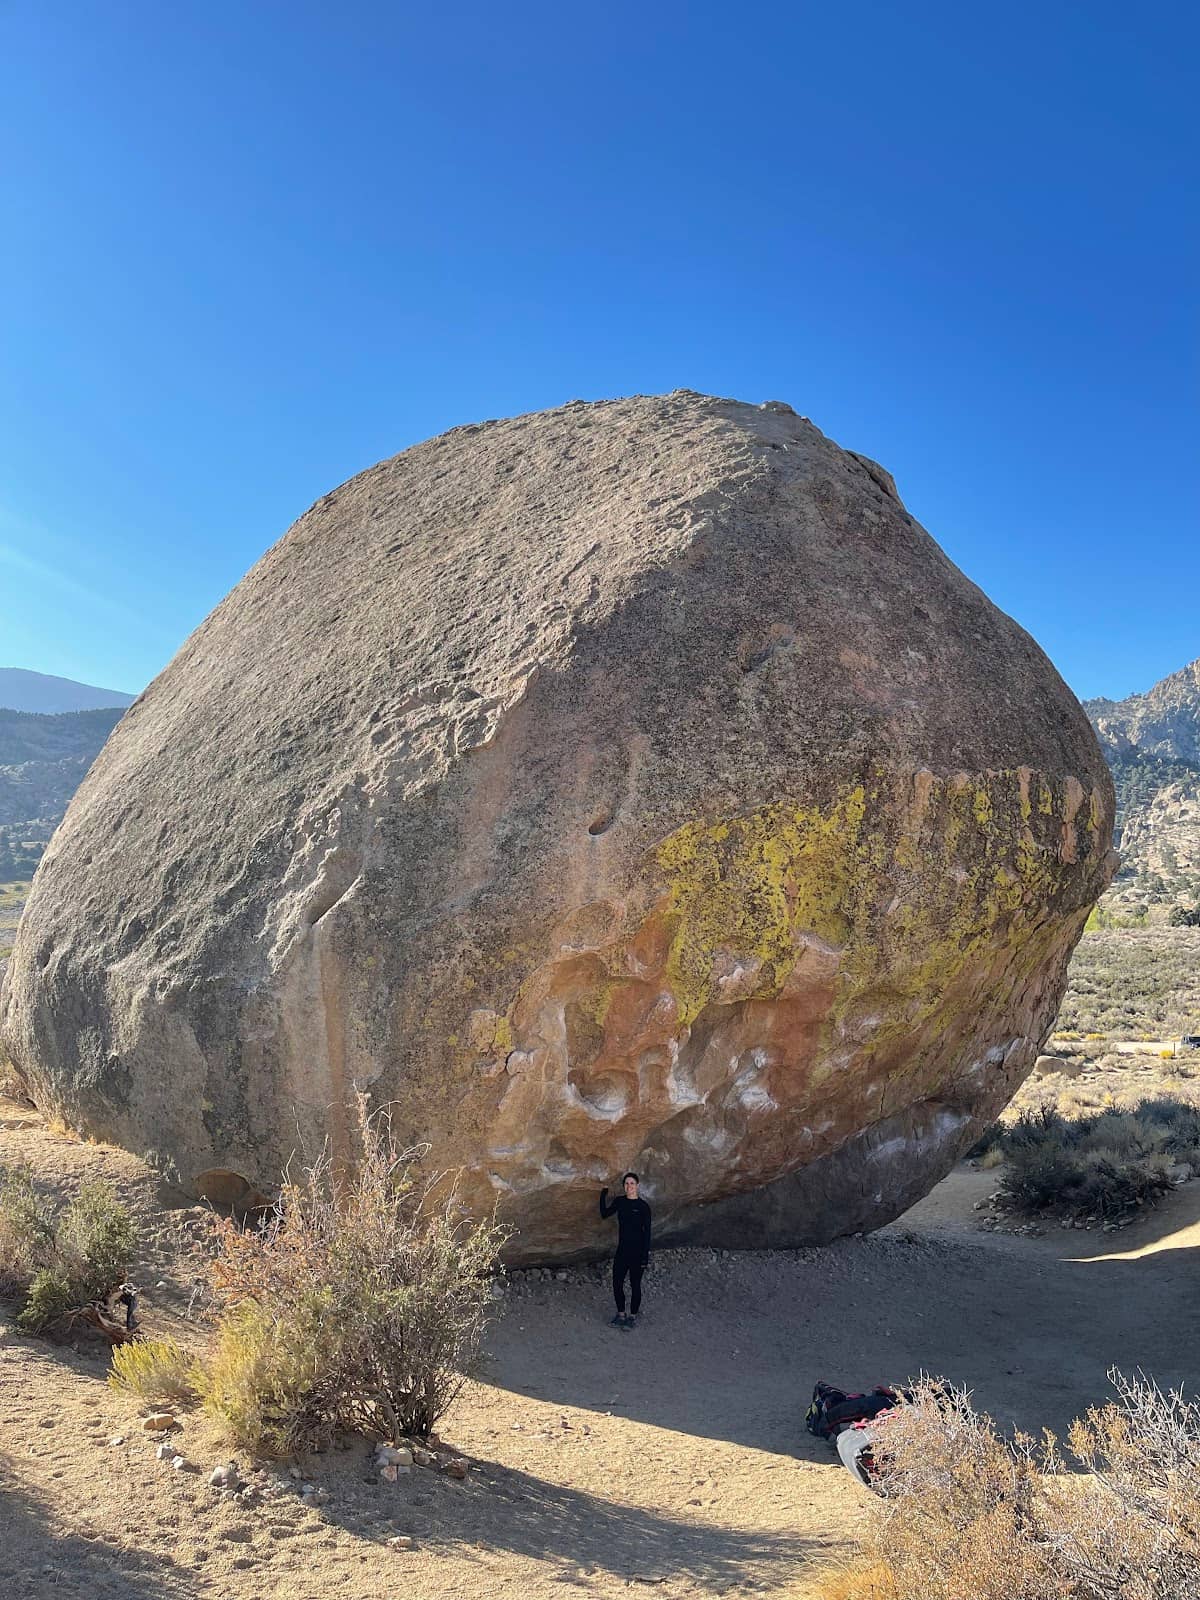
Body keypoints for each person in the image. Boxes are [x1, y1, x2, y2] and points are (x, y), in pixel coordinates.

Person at [599, 1171, 651, 1328]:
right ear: (624, 1186)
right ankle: (620, 1314)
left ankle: (632, 1317)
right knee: (617, 1283)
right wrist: (603, 1195)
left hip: (637, 1253)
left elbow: (647, 1233)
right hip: (622, 1251)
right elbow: (604, 1214)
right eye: (627, 1184)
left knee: (635, 1284)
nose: (629, 1186)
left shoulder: (643, 1207)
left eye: (632, 1183)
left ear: (637, 1186)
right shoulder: (620, 1202)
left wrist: (644, 1257)